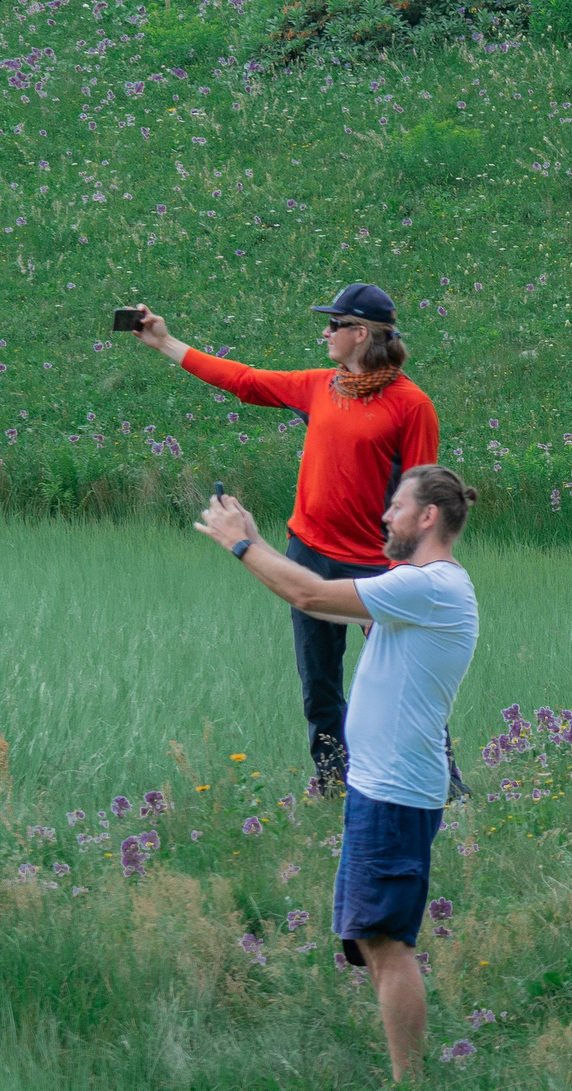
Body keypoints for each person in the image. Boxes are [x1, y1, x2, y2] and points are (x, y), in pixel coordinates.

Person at [193, 466, 480, 1086]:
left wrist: (243, 544)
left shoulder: (432, 588)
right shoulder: (414, 587)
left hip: (397, 793)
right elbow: (329, 594)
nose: (384, 518)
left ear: (428, 516)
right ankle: (408, 1079)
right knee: (373, 942)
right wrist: (263, 542)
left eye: (396, 507)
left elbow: (312, 597)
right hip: (378, 788)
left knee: (387, 942)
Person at [130, 284, 442, 789]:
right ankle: (333, 780)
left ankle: (439, 778)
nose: (326, 331)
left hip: (377, 569)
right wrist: (166, 342)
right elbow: (245, 381)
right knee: (319, 686)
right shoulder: (321, 386)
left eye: (335, 324)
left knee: (403, 681)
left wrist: (411, 572)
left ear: (360, 334)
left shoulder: (411, 406)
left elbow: (424, 498)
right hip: (309, 556)